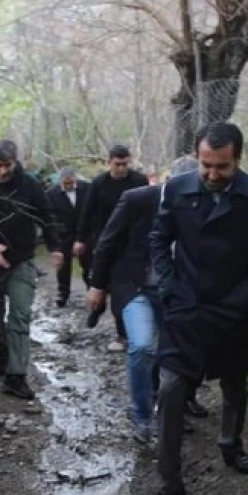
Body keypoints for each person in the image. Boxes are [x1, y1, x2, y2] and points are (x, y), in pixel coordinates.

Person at [140, 122, 248, 495]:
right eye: (206, 165)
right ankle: (170, 486)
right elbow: (158, 238)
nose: (212, 174)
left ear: (237, 160)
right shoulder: (177, 187)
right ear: (198, 157)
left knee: (235, 382)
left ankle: (230, 443)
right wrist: (169, 287)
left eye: (221, 167)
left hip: (234, 305)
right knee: (171, 390)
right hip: (185, 305)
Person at [87, 157, 201, 443]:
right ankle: (142, 415)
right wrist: (97, 285)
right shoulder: (136, 200)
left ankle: (171, 409)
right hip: (135, 284)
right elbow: (108, 241)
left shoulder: (199, 204)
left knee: (173, 354)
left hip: (175, 291)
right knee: (141, 346)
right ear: (166, 180)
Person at [0, 139, 64, 400]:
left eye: (8, 165)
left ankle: (16, 376)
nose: (3, 171)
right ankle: (2, 348)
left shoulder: (28, 183)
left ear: (15, 162)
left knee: (20, 315)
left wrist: (55, 246)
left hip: (21, 259)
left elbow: (46, 214)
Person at [74, 145, 148, 338]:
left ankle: (122, 331)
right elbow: (87, 212)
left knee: (120, 286)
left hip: (130, 242)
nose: (122, 168)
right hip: (103, 240)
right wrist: (80, 239)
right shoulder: (99, 183)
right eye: (118, 164)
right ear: (109, 163)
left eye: (125, 164)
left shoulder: (139, 181)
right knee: (99, 281)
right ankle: (97, 309)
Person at [46, 168, 91, 307]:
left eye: (70, 182)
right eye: (65, 183)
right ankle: (63, 294)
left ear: (75, 179)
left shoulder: (87, 188)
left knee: (88, 263)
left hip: (85, 232)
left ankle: (92, 290)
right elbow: (50, 218)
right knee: (63, 266)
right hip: (63, 234)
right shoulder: (51, 194)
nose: (68, 185)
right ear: (60, 181)